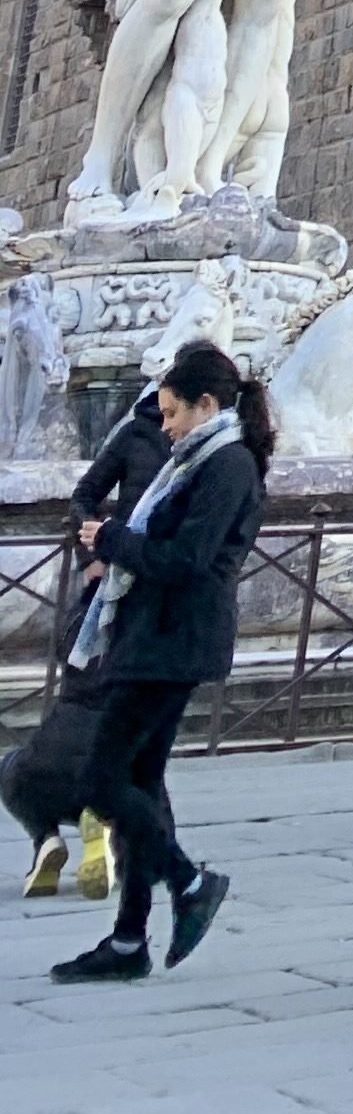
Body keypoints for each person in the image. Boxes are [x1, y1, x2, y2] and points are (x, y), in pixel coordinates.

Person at [41, 339, 271, 983]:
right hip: (155, 637)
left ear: (207, 404)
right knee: (141, 785)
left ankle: (190, 881)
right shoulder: (199, 459)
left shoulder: (225, 466)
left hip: (173, 642)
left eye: (172, 414)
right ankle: (127, 940)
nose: (163, 427)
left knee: (99, 781)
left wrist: (113, 540)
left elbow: (188, 561)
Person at [5, 384, 169, 903]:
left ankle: (50, 839)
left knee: (21, 767)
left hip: (139, 586)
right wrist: (92, 554)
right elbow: (84, 495)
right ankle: (120, 841)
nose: (168, 422)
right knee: (138, 759)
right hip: (125, 579)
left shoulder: (201, 456)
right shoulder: (138, 438)